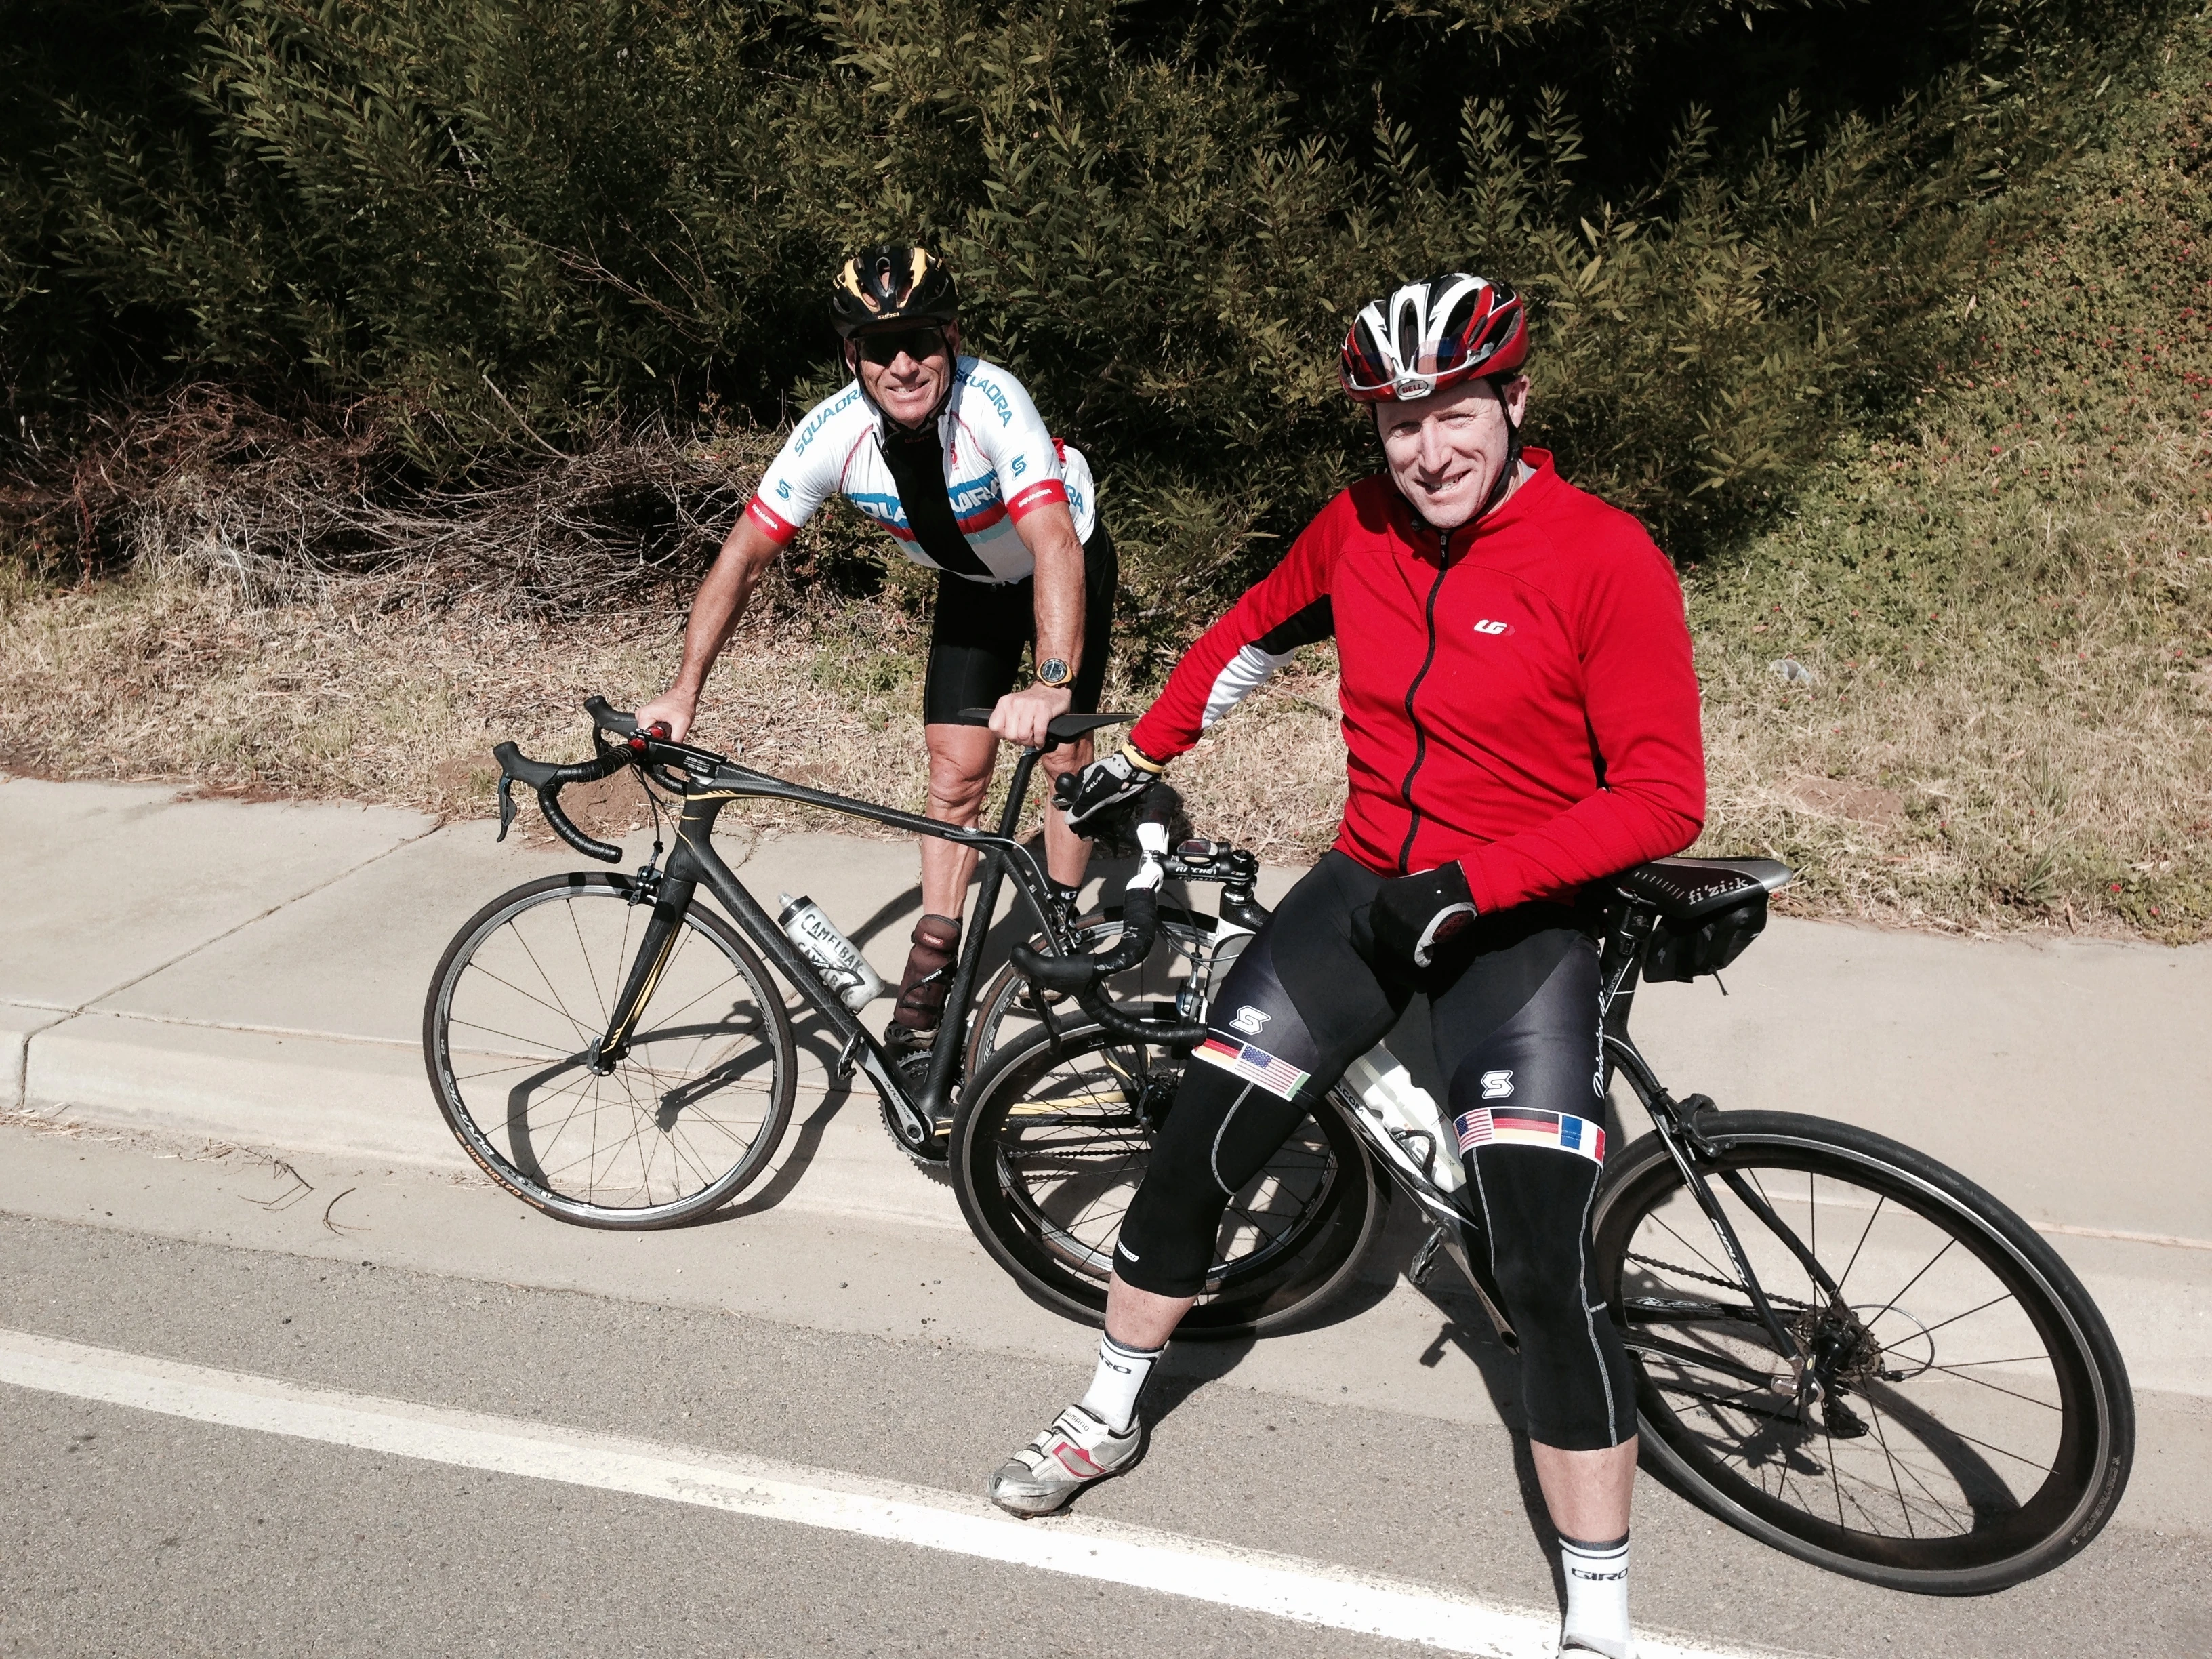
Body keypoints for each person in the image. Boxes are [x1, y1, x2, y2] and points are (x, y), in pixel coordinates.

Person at [990, 274, 1704, 1659]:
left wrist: (1484, 882)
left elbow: (1664, 798)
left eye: (1452, 416)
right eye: (1397, 424)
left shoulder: (1603, 557)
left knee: (1543, 1268)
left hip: (1522, 917)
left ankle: (1600, 1621)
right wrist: (1146, 751)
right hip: (1367, 886)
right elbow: (1251, 631)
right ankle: (1104, 1416)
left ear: (1513, 404)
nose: (1426, 452)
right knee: (1197, 1143)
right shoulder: (1362, 524)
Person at [638, 246, 1114, 1050]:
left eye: (921, 339)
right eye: (877, 346)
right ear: (850, 355)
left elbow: (1056, 546)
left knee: (1061, 757)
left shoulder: (994, 403)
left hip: (1059, 559)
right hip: (970, 575)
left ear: (953, 338)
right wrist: (683, 690)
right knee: (956, 769)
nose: (903, 364)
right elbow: (742, 557)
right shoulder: (831, 434)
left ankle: (1061, 931)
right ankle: (935, 959)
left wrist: (1053, 681)